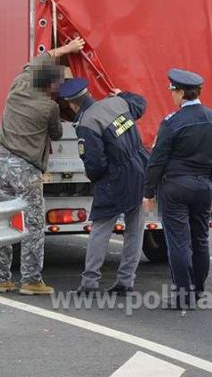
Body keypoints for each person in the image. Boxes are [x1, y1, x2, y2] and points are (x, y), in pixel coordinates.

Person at [0, 37, 84, 296]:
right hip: (26, 169)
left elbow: (38, 62)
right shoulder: (49, 107)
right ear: (52, 85)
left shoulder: (18, 85)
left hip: (1, 164)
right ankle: (31, 280)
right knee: (32, 225)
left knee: (4, 222)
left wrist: (67, 49)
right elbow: (55, 134)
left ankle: (1, 279)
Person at [143, 68, 212, 309]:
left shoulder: (172, 122)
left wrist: (148, 192)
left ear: (181, 92)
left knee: (178, 242)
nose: (171, 95)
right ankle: (198, 290)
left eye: (173, 91)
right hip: (203, 186)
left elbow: (157, 160)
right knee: (200, 239)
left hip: (175, 186)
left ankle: (183, 296)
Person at [59, 77, 149, 295]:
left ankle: (90, 283)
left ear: (72, 104)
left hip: (115, 177)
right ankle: (125, 282)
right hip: (141, 169)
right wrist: (121, 93)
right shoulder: (117, 103)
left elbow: (94, 163)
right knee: (135, 229)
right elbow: (141, 102)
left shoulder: (87, 123)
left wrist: (98, 180)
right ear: (88, 94)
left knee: (100, 229)